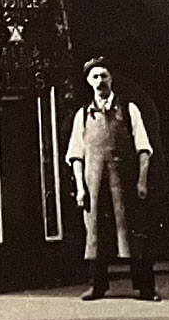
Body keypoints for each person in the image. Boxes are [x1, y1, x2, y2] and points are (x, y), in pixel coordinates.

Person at [66, 57, 160, 301]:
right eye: (95, 77)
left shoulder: (129, 110)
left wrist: (141, 181)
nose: (100, 82)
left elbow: (144, 149)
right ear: (88, 82)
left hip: (125, 183)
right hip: (94, 184)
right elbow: (76, 155)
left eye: (103, 76)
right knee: (95, 232)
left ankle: (145, 288)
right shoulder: (82, 116)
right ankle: (97, 286)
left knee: (133, 233)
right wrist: (80, 188)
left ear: (111, 79)